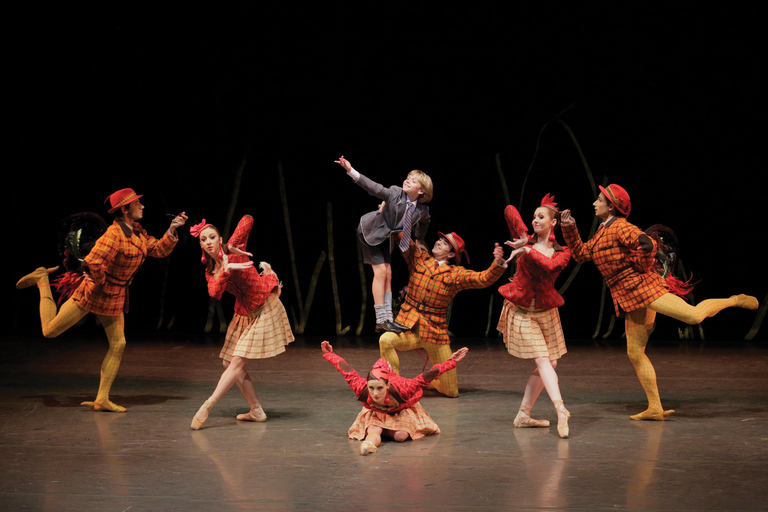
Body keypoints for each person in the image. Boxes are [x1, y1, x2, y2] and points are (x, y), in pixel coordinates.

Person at [560, 184, 759, 421]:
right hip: (628, 297)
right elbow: (582, 254)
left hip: (644, 288)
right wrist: (569, 226)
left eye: (599, 199)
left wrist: (641, 265)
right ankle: (655, 408)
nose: (595, 203)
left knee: (693, 316)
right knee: (635, 353)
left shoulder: (621, 227)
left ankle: (734, 300)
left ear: (611, 206)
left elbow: (647, 244)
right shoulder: (602, 230)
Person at [16, 188, 187, 412]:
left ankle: (102, 398)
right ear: (124, 209)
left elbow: (156, 249)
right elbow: (93, 261)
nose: (142, 207)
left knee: (119, 344)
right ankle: (41, 281)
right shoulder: (113, 235)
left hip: (115, 295)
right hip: (94, 293)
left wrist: (172, 229)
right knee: (49, 331)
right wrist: (98, 278)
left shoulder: (136, 231)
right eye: (137, 204)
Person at [189, 215, 294, 430]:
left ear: (220, 239)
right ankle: (256, 410)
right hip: (244, 313)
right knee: (228, 363)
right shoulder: (212, 271)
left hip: (265, 305)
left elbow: (248, 219)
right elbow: (215, 293)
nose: (208, 241)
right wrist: (225, 270)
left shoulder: (234, 249)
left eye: (212, 237)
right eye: (203, 239)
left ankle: (207, 406)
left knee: (236, 362)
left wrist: (231, 247)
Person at [379, 231, 507, 397]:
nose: (439, 242)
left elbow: (482, 279)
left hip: (434, 334)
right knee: (386, 340)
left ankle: (428, 381)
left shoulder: (456, 274)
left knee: (451, 392)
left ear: (452, 254)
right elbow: (403, 241)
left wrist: (497, 263)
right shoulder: (420, 259)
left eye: (445, 243)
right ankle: (394, 385)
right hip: (407, 327)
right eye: (439, 239)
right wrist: (393, 217)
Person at [497, 195, 572, 438]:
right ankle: (561, 409)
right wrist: (523, 238)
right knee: (542, 360)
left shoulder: (563, 252)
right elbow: (509, 209)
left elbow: (549, 267)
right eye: (534, 216)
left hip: (546, 311)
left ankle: (523, 415)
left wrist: (526, 249)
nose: (535, 220)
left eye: (541, 217)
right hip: (522, 310)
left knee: (551, 363)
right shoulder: (526, 240)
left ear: (553, 223)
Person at [334, 155, 433, 333]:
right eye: (408, 178)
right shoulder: (395, 193)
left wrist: (418, 239)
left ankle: (388, 318)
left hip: (385, 238)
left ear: (421, 191)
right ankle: (381, 320)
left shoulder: (422, 210)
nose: (408, 181)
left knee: (388, 272)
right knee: (380, 272)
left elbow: (425, 223)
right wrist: (351, 171)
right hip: (370, 232)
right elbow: (374, 188)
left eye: (413, 181)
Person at [321, 340, 468, 455]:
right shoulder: (362, 388)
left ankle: (385, 430)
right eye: (371, 388)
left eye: (380, 388)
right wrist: (329, 354)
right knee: (373, 432)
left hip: (399, 410)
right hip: (377, 412)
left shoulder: (402, 389)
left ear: (387, 386)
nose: (375, 393)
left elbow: (427, 376)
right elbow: (345, 369)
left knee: (400, 436)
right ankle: (370, 444)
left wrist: (451, 361)